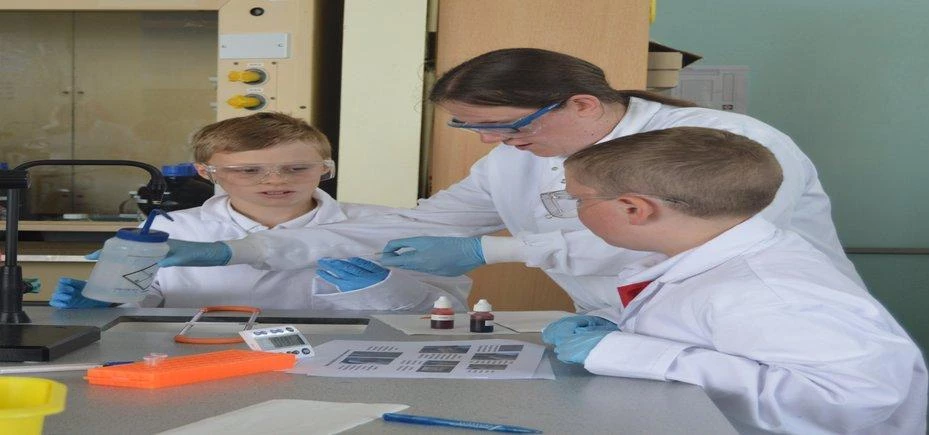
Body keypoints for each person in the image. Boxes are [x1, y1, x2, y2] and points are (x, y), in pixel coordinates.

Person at [148, 48, 864, 313]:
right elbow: (421, 226)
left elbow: (682, 247)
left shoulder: (727, 142)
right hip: (635, 331)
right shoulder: (514, 157)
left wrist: (495, 253)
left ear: (582, 105)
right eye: (472, 130)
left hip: (756, 319)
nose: (493, 143)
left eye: (503, 125)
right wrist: (248, 251)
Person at [540, 126, 927, 434]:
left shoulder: (770, 291)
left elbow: (854, 398)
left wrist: (628, 353)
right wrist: (616, 323)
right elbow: (717, 331)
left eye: (578, 200)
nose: (574, 209)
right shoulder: (716, 256)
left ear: (634, 209)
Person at [49, 112, 469, 311]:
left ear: (325, 169)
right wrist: (107, 301)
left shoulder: (383, 224)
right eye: (248, 170)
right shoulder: (173, 227)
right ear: (206, 172)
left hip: (343, 362)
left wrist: (387, 286)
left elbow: (451, 310)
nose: (274, 180)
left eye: (296, 167)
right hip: (195, 360)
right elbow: (144, 303)